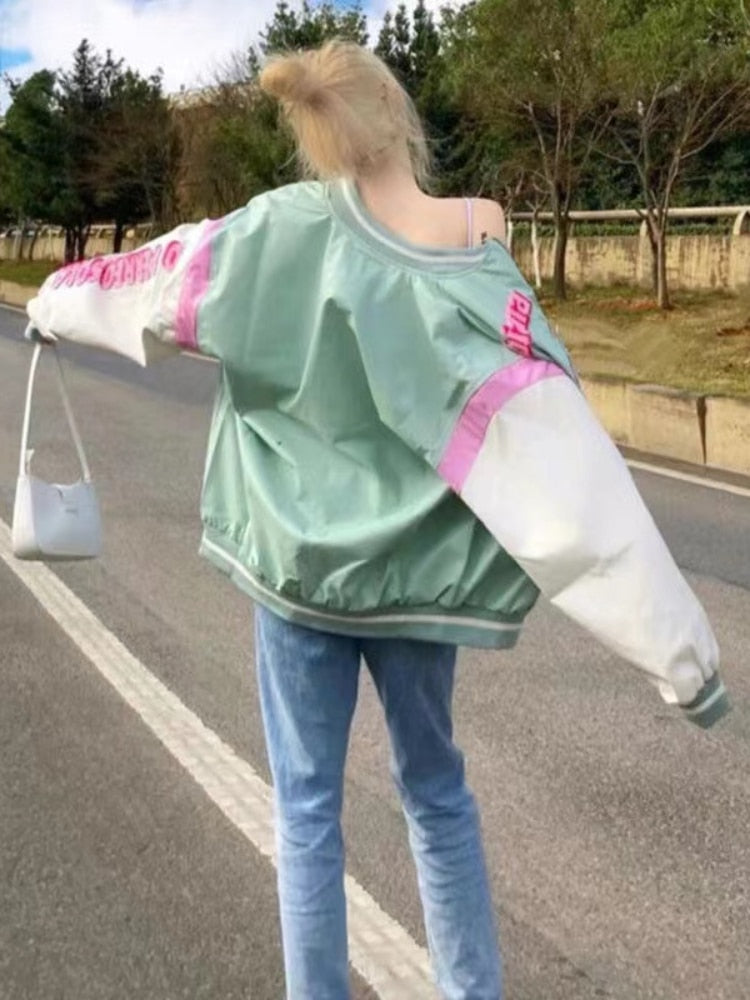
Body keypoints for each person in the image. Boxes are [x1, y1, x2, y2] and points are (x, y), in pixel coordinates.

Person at [23, 40, 728, 1000]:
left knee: (307, 809)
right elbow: (550, 424)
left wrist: (54, 302)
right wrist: (678, 651)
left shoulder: (272, 230)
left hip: (298, 573)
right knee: (437, 794)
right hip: (418, 580)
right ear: (397, 115)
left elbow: (150, 278)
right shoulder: (478, 227)